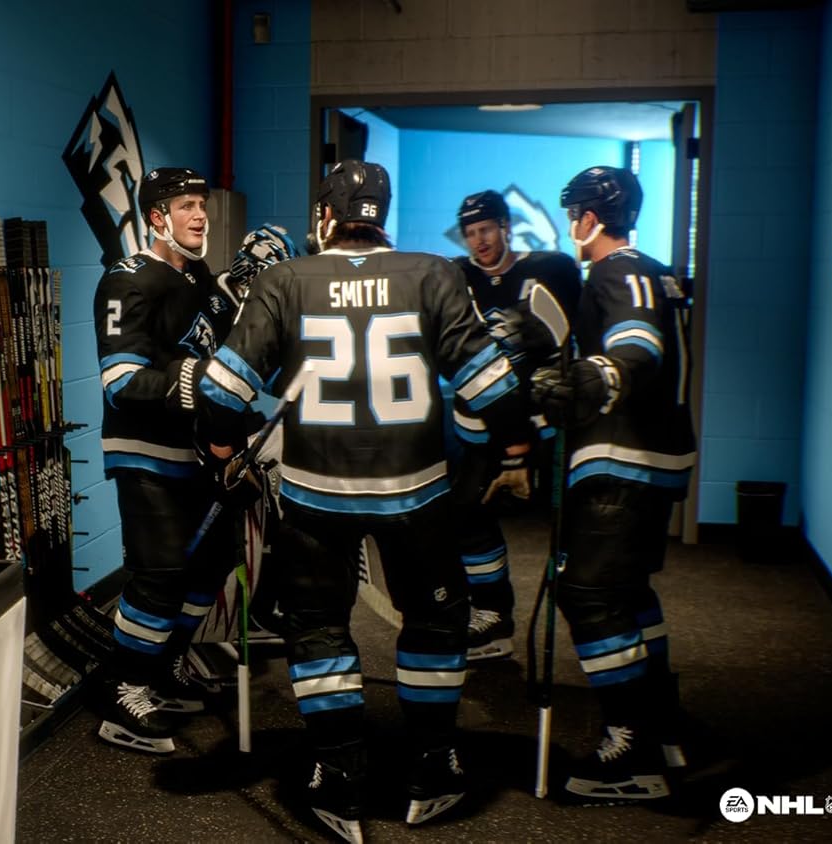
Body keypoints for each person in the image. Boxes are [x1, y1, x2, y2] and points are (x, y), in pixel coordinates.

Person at [197, 160, 533, 841]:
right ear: (382, 214)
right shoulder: (434, 273)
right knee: (434, 623)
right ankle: (433, 761)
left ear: (326, 216)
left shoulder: (286, 279)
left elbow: (220, 390)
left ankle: (338, 770)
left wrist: (226, 451)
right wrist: (516, 452)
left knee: (318, 627)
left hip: (316, 496)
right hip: (416, 492)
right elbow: (493, 385)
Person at [531, 165, 696, 801]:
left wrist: (597, 376)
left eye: (573, 213)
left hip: (622, 460)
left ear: (589, 218)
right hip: (654, 460)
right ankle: (661, 720)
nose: (572, 224)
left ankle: (634, 747)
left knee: (587, 593)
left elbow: (638, 346)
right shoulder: (656, 270)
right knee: (629, 591)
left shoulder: (614, 270)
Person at [90, 167, 240, 754]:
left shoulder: (199, 277)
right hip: (145, 454)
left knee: (212, 563)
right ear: (157, 217)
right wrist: (203, 380)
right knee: (161, 572)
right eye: (185, 206)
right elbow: (122, 382)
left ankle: (164, 665)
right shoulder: (125, 280)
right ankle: (123, 688)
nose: (200, 215)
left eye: (202, 204)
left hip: (197, 452)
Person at [449, 190, 583, 661]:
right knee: (467, 515)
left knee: (571, 526)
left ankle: (591, 612)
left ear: (505, 226)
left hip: (542, 424)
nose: (479, 241)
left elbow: (573, 338)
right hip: (485, 426)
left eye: (486, 229)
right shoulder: (456, 276)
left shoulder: (552, 269)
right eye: (470, 233)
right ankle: (492, 614)